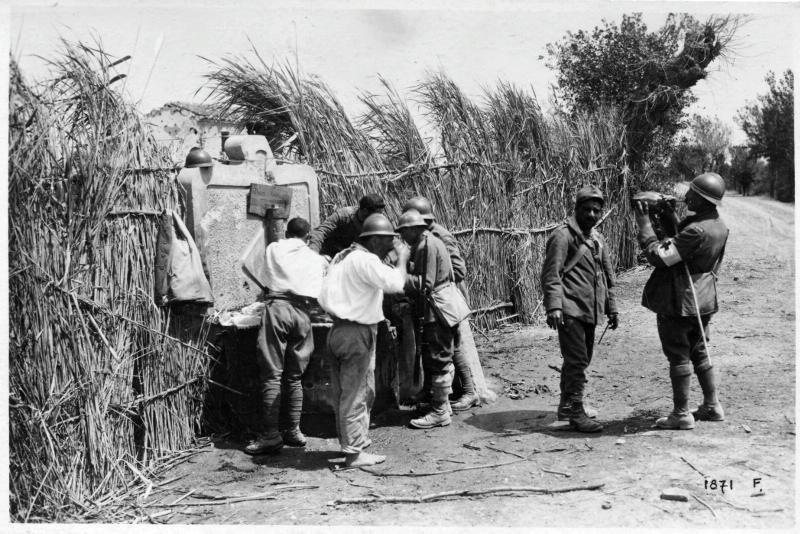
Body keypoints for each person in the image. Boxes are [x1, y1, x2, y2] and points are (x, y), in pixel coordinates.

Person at [634, 172, 729, 430]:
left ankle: (681, 413)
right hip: (703, 297)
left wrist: (644, 222)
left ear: (701, 199)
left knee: (678, 354)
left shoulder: (697, 230)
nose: (685, 197)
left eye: (691, 194)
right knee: (700, 350)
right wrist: (668, 215)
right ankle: (712, 405)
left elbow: (661, 256)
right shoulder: (717, 225)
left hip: (682, 300)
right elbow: (684, 240)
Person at [318, 213, 409, 467]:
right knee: (357, 392)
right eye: (387, 240)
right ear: (375, 240)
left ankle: (351, 442)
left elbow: (322, 295)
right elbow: (395, 283)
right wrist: (402, 259)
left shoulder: (341, 257)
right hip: (357, 332)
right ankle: (354, 454)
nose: (390, 245)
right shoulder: (365, 260)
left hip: (336, 330)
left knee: (345, 392)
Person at [245, 217, 328, 455]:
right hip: (303, 312)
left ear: (286, 233)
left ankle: (271, 435)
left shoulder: (274, 248)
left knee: (272, 373)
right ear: (308, 236)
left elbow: (258, 270)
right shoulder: (314, 258)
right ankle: (293, 430)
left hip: (278, 307)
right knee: (294, 375)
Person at [541, 185, 618, 433]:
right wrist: (554, 306)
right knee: (577, 361)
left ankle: (566, 406)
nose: (592, 215)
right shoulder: (562, 236)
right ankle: (576, 413)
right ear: (576, 209)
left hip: (590, 309)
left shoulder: (597, 238)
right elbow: (551, 274)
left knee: (580, 360)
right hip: (569, 308)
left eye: (597, 211)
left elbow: (607, 276)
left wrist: (612, 308)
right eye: (587, 210)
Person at [401, 196, 483, 412]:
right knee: (436, 349)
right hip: (436, 299)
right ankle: (433, 392)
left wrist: (415, 274)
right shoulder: (425, 239)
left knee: (451, 349)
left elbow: (458, 271)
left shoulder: (436, 237)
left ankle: (468, 392)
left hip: (444, 300)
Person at [395, 209, 457, 429]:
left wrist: (401, 273)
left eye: (404, 232)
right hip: (438, 306)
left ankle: (440, 411)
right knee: (438, 357)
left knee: (438, 358)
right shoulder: (427, 242)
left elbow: (425, 284)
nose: (403, 237)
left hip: (436, 308)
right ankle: (442, 404)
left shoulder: (427, 245)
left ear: (413, 229)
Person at [307, 193, 386, 258]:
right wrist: (314, 256)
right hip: (331, 255)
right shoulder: (344, 215)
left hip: (356, 259)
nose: (379, 217)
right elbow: (319, 232)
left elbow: (388, 241)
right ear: (365, 211)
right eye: (377, 214)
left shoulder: (378, 223)